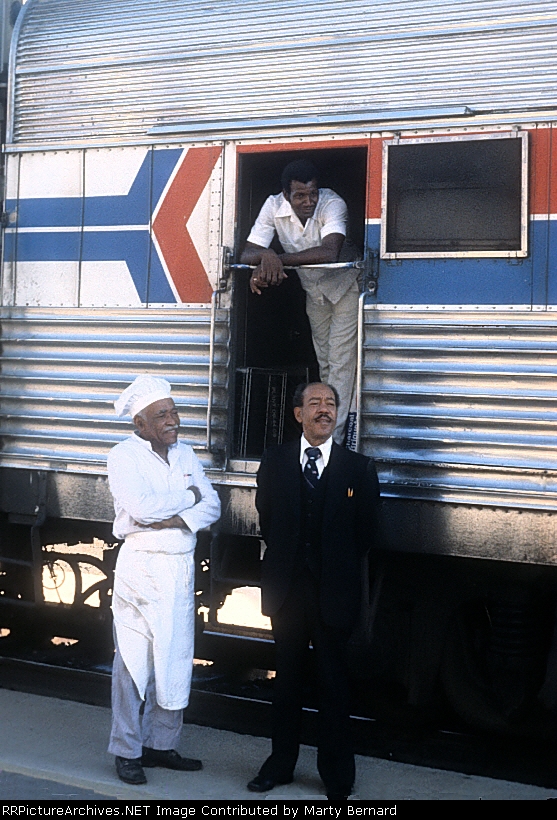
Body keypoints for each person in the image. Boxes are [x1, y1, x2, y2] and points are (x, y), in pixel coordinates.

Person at [247, 381, 381, 800]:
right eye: (315, 403)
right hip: (287, 590)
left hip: (334, 593)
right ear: (298, 414)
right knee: (286, 681)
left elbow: (366, 533)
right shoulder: (274, 461)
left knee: (333, 684)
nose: (325, 409)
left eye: (331, 403)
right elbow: (267, 519)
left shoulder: (359, 468)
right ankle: (279, 766)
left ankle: (337, 776)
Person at [106, 375, 221, 785]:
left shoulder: (185, 454)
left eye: (173, 412)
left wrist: (172, 517)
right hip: (140, 569)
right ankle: (126, 750)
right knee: (132, 663)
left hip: (179, 568)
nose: (172, 420)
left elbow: (213, 506)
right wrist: (188, 499)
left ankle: (161, 744)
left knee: (174, 657)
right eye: (161, 415)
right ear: (140, 423)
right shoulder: (123, 456)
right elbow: (140, 508)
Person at [240, 159, 360, 445]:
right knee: (325, 364)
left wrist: (274, 259)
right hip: (314, 292)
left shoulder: (333, 203)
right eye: (300, 196)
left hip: (345, 287)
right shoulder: (273, 206)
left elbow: (329, 252)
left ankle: (334, 443)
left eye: (313, 193)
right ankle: (328, 433)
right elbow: (247, 254)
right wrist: (266, 256)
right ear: (286, 195)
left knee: (341, 364)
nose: (309, 201)